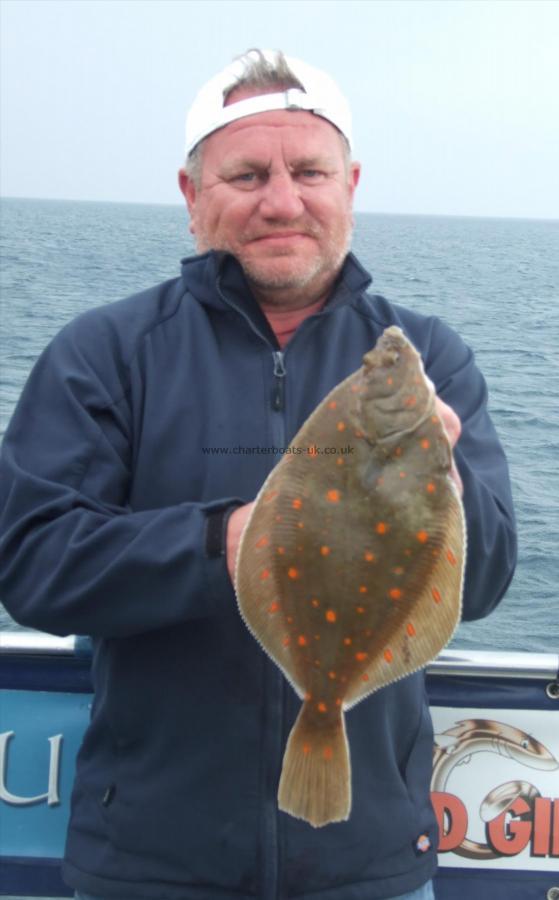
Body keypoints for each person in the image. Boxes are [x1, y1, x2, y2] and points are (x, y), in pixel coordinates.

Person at [0, 49, 516, 900]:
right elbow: (32, 565)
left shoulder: (429, 360)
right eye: (246, 174)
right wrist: (229, 541)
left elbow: (487, 578)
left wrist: (445, 489)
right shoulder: (106, 355)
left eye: (308, 170)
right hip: (150, 864)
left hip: (372, 865)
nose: (282, 199)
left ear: (349, 183)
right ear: (191, 195)